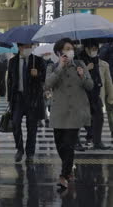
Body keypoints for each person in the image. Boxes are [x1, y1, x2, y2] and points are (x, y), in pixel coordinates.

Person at [45, 38, 93, 189]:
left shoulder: (80, 65)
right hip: (59, 111)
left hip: (75, 111)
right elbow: (48, 84)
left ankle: (63, 176)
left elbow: (90, 86)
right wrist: (60, 67)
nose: (69, 51)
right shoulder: (52, 67)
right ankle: (69, 169)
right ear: (59, 52)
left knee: (69, 144)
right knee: (60, 145)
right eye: (66, 49)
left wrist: (82, 75)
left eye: (71, 48)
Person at [7, 43, 46, 163]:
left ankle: (30, 153)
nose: (27, 49)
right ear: (19, 48)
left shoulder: (38, 61)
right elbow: (10, 81)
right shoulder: (13, 61)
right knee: (15, 124)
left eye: (29, 46)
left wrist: (37, 75)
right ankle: (19, 149)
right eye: (25, 46)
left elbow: (45, 78)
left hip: (32, 99)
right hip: (18, 98)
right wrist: (10, 99)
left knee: (32, 127)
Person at [78, 39, 113, 150]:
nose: (94, 51)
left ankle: (97, 142)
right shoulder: (78, 61)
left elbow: (107, 81)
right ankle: (76, 141)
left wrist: (110, 97)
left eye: (96, 49)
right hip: (82, 95)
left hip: (96, 94)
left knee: (99, 118)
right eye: (92, 49)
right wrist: (86, 69)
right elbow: (73, 80)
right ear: (86, 48)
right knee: (80, 119)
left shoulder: (100, 62)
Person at [100, 42, 113, 143]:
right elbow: (102, 63)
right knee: (111, 109)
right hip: (110, 82)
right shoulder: (106, 47)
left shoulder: (106, 47)